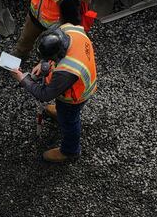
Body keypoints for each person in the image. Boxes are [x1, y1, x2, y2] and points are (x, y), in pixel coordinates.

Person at [10, 23, 97, 163]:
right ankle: (59, 112)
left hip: (74, 97)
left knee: (69, 121)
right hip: (75, 85)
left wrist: (22, 79)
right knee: (63, 112)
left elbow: (45, 95)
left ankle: (70, 151)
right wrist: (43, 63)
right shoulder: (69, 30)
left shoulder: (67, 71)